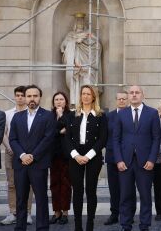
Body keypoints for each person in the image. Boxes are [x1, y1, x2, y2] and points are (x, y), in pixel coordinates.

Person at [113, 85, 161, 231]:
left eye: (137, 92)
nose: (134, 95)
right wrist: (119, 160)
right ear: (128, 95)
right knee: (125, 195)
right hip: (125, 162)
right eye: (131, 93)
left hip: (145, 162)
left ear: (142, 95)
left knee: (146, 195)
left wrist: (152, 159)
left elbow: (156, 138)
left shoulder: (152, 113)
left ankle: (145, 224)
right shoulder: (121, 114)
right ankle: (125, 224)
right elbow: (116, 139)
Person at [9, 85, 56, 231]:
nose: (32, 99)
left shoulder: (48, 116)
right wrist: (22, 155)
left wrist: (33, 156)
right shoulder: (17, 117)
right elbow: (13, 139)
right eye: (29, 96)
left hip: (39, 164)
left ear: (40, 97)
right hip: (20, 164)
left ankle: (42, 227)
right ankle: (20, 227)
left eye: (35, 96)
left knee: (41, 198)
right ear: (25, 97)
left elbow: (48, 139)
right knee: (21, 199)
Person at [64, 85, 107, 231]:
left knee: (91, 190)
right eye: (83, 93)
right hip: (75, 157)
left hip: (93, 157)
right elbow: (67, 139)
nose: (86, 96)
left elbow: (102, 139)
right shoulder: (72, 115)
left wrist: (87, 156)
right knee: (77, 190)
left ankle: (90, 224)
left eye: (89, 94)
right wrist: (76, 155)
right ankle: (77, 225)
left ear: (93, 97)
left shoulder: (101, 115)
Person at [0, 86, 34, 226]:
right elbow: (3, 132)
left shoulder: (31, 113)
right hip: (10, 152)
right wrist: (10, 148)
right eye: (17, 95)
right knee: (12, 184)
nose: (20, 97)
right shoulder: (7, 114)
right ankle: (13, 212)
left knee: (28, 183)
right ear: (14, 97)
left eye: (22, 95)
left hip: (27, 153)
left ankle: (27, 213)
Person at [61, 13, 102, 106]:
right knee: (76, 85)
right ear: (75, 23)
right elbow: (63, 47)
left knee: (88, 84)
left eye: (82, 21)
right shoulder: (71, 35)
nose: (80, 23)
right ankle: (76, 105)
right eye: (78, 21)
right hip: (75, 66)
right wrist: (74, 42)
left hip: (87, 65)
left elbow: (98, 46)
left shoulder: (90, 34)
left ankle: (92, 106)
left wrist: (87, 40)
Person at [104, 91, 131, 225]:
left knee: (128, 188)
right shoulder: (109, 116)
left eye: (124, 99)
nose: (122, 101)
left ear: (128, 100)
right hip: (112, 157)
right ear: (116, 100)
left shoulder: (132, 114)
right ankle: (114, 214)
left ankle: (128, 214)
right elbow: (105, 136)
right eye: (119, 99)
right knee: (113, 188)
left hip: (128, 158)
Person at [49, 92, 72, 225]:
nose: (58, 102)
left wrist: (61, 116)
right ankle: (56, 211)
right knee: (54, 184)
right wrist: (59, 132)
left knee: (66, 184)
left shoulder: (70, 115)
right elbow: (50, 133)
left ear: (66, 101)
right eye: (56, 99)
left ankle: (65, 212)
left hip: (66, 155)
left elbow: (70, 129)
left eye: (61, 99)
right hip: (53, 155)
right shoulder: (48, 116)